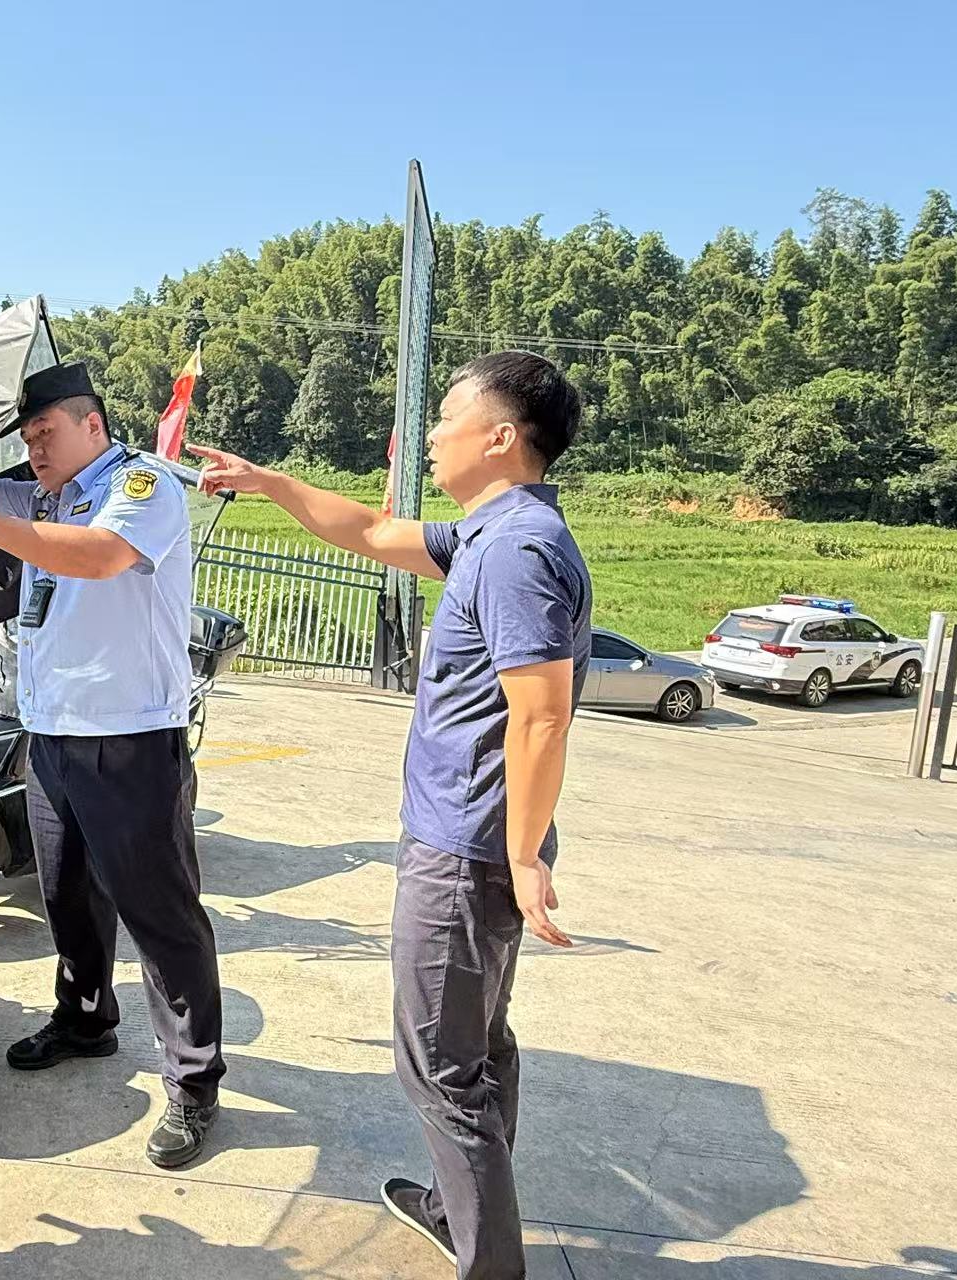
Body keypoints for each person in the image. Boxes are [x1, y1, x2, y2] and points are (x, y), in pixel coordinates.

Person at [190, 351, 591, 1279]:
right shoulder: (493, 533)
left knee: (440, 1067)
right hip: (471, 840)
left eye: (448, 417)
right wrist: (269, 482)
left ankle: (488, 1261)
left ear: (501, 437)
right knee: (476, 1046)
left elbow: (542, 714)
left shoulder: (517, 552)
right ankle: (459, 1211)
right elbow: (370, 529)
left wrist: (522, 856)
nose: (432, 434)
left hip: (467, 850)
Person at [0, 361, 227, 1169]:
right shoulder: (39, 498)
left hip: (129, 737)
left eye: (47, 432)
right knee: (65, 892)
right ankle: (84, 1020)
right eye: (26, 437)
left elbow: (102, 556)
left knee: (160, 915)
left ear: (92, 425)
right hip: (52, 734)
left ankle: (194, 1082)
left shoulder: (141, 486)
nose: (34, 449)